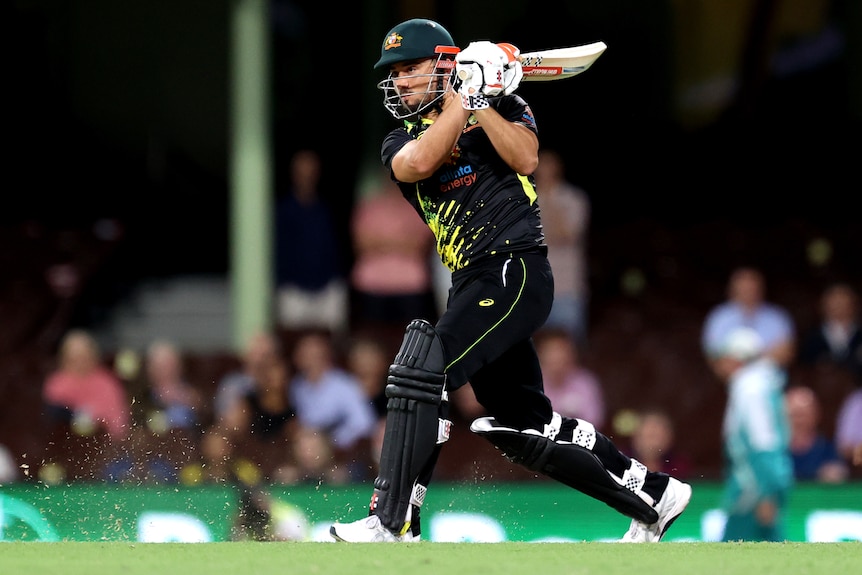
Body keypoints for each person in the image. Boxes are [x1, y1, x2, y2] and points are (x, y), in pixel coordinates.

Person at [329, 18, 691, 544]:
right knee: (522, 426)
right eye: (395, 73)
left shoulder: (502, 105)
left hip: (514, 268)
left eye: (410, 69)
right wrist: (464, 96)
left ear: (443, 64)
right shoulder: (399, 139)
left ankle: (393, 522)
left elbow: (526, 157)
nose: (401, 82)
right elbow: (420, 162)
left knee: (421, 369)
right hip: (473, 281)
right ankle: (654, 496)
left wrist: (479, 100)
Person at [717, 327, 793, 542]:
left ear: (736, 358)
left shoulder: (750, 388)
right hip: (757, 482)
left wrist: (767, 493)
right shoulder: (760, 383)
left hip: (752, 488)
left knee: (730, 556)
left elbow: (763, 442)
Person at [349, 167, 438, 339]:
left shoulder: (418, 206)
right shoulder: (369, 207)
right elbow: (362, 245)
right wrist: (400, 241)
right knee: (372, 338)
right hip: (372, 283)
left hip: (410, 284)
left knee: (412, 341)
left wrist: (381, 242)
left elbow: (419, 247)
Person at [274, 148, 349, 335]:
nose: (307, 176)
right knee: (293, 340)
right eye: (302, 172)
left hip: (328, 287)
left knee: (333, 341)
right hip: (292, 289)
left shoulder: (328, 207)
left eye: (311, 171)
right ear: (293, 174)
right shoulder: (283, 210)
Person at [532, 148, 591, 345]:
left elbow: (566, 234)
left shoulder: (573, 199)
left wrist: (548, 198)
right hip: (532, 291)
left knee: (568, 349)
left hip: (566, 289)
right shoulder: (522, 199)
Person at [702, 266, 796, 383]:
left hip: (770, 381)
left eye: (752, 289)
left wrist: (753, 364)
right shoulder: (719, 317)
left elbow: (786, 352)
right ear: (732, 291)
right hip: (728, 382)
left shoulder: (777, 317)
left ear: (761, 290)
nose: (748, 293)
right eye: (743, 289)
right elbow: (712, 355)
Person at [534, 327, 605, 429]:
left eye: (562, 360)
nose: (557, 367)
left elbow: (595, 422)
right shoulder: (529, 384)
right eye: (552, 361)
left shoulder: (586, 383)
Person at [798, 282, 862, 386]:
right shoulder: (811, 338)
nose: (839, 307)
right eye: (834, 302)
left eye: (843, 302)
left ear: (854, 305)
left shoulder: (859, 336)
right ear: (823, 306)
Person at [785, 385, 848, 483]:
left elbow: (839, 473)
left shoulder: (827, 449)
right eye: (794, 415)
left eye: (804, 415)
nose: (799, 421)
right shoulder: (773, 450)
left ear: (816, 415)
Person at [627, 408, 692, 480]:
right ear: (635, 437)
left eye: (657, 437)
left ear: (669, 438)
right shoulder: (621, 462)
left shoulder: (679, 466)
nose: (652, 444)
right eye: (648, 436)